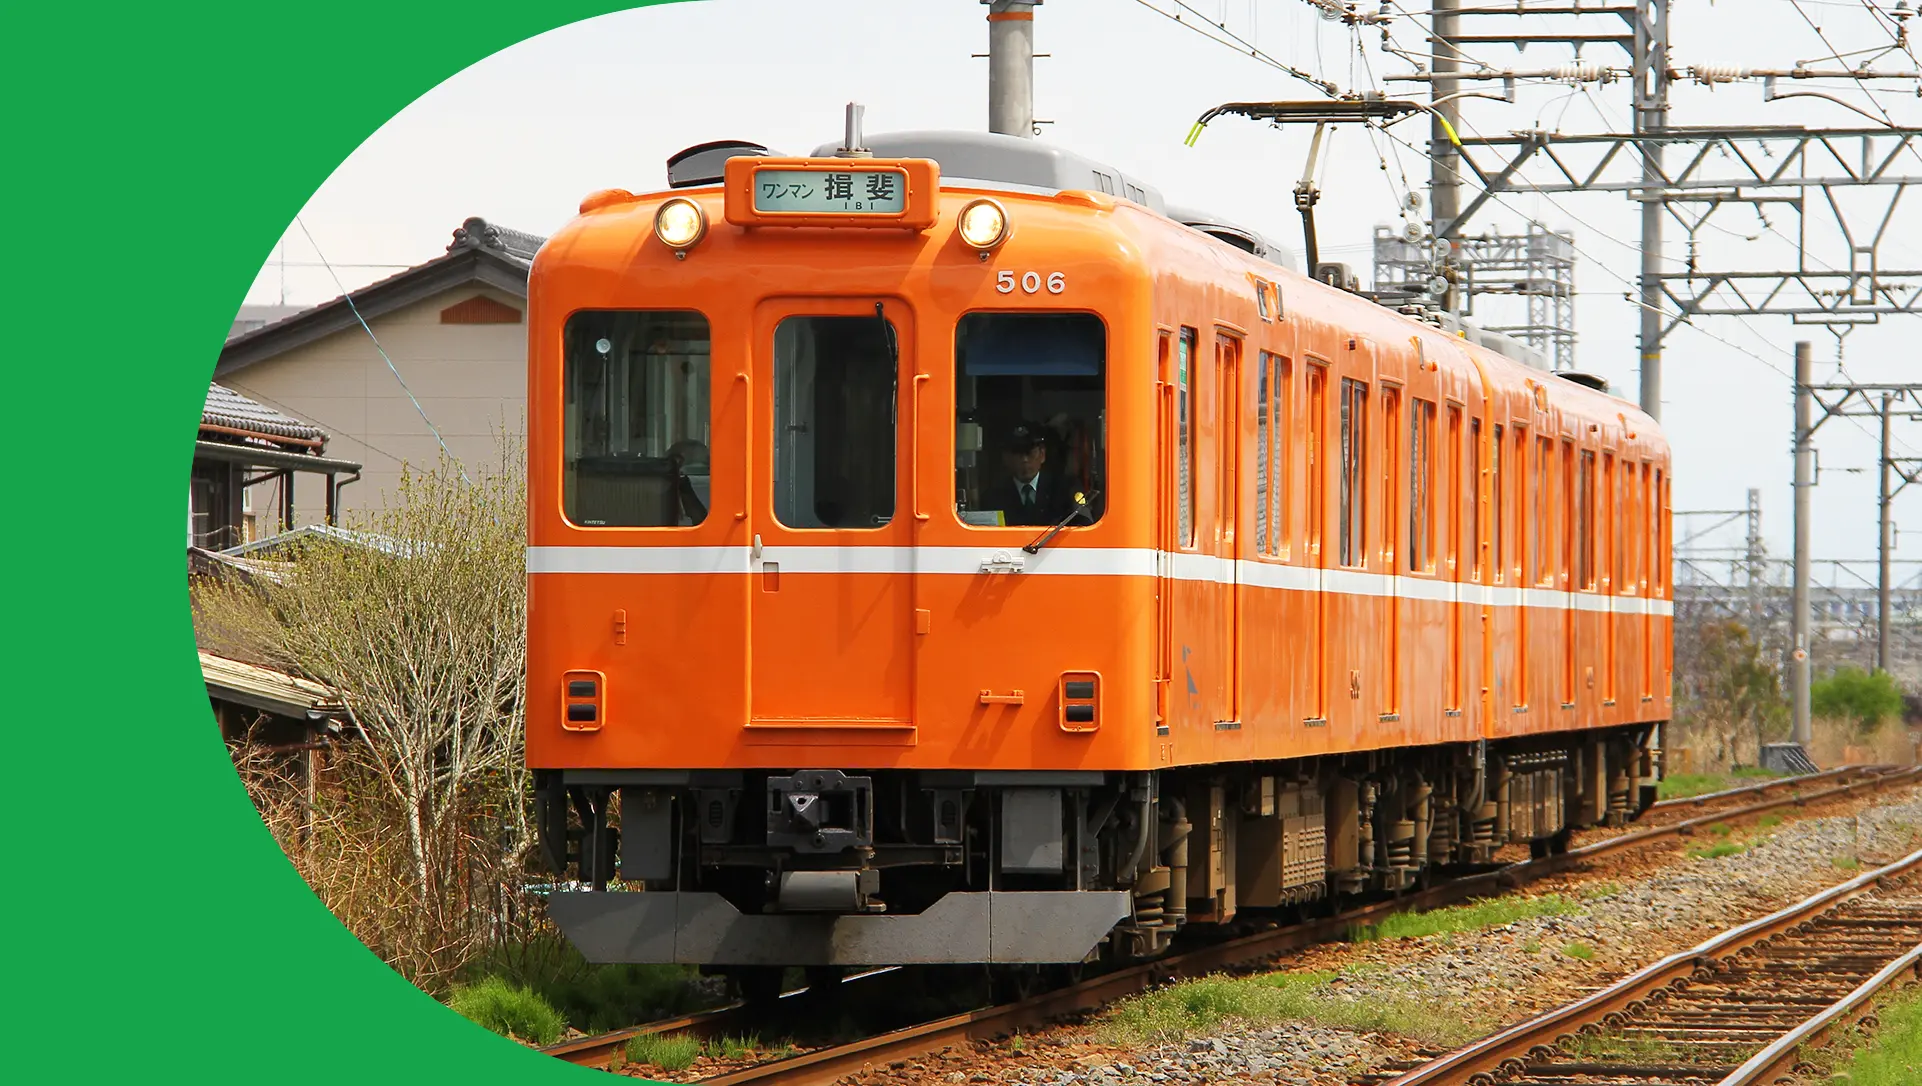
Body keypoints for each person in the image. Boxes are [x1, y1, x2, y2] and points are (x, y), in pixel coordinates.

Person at [982, 422, 1071, 526]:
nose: (1024, 459)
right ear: (1006, 458)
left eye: (1029, 452)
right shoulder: (993, 497)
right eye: (1017, 453)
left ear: (1042, 455)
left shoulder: (1062, 491)